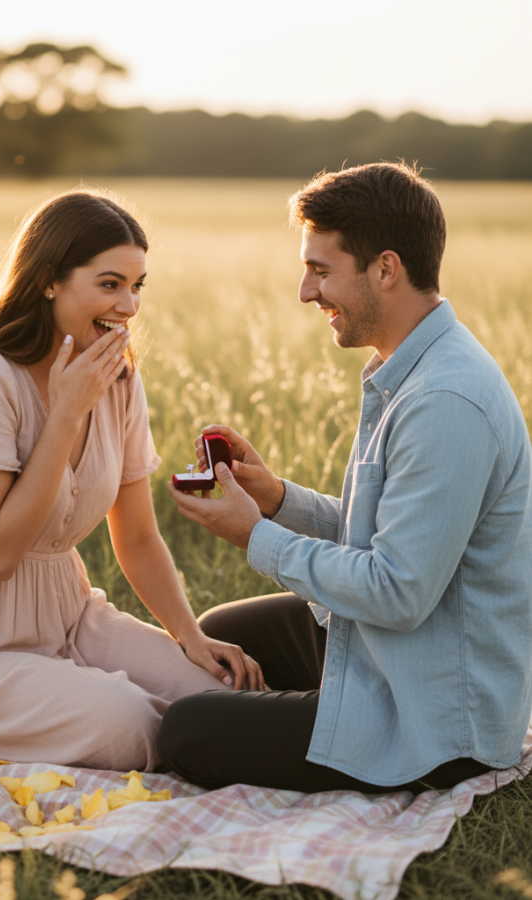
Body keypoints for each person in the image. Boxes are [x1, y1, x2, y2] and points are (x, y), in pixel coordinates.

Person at [161, 162, 532, 793]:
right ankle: (325, 701)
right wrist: (276, 501)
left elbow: (396, 592)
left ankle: (351, 727)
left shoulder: (445, 400)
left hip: (435, 718)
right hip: (400, 652)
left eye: (321, 270)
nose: (305, 292)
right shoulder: (413, 367)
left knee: (184, 730)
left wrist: (257, 537)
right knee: (216, 636)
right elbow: (385, 538)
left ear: (386, 270)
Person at [0, 189, 264, 772]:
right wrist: (64, 416)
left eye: (137, 286)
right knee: (131, 724)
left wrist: (190, 636)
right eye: (110, 284)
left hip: (68, 616)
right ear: (48, 281)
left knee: (220, 692)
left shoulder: (117, 381)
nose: (130, 306)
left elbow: (136, 538)